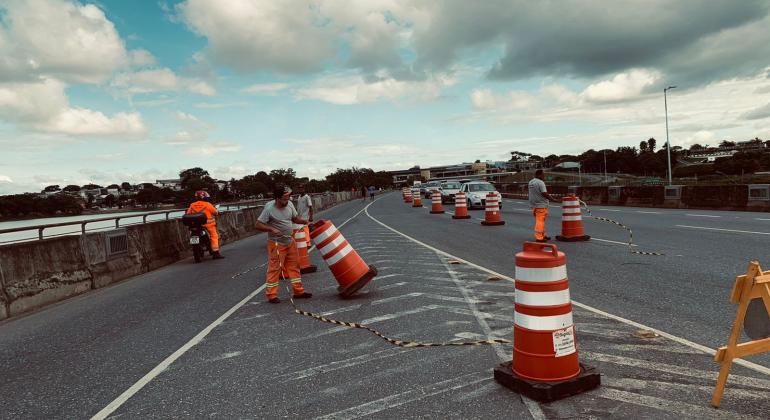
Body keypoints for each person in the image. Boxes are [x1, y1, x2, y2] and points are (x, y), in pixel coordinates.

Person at [255, 184, 312, 304]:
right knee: (275, 269)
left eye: (288, 198)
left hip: (289, 241)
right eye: (284, 199)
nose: (287, 201)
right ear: (277, 198)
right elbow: (258, 224)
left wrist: (305, 222)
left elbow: (294, 219)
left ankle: (299, 292)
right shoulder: (269, 208)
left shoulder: (290, 204)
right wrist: (271, 229)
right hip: (276, 243)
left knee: (295, 266)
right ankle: (271, 295)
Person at [186, 190, 224, 259]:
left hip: (195, 225)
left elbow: (188, 214)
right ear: (204, 197)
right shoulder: (208, 204)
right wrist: (217, 212)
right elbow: (215, 212)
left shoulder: (192, 205)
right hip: (208, 225)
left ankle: (197, 248)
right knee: (214, 236)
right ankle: (216, 253)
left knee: (192, 234)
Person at [528, 169, 560, 243]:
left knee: (541, 221)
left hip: (534, 205)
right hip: (541, 205)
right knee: (540, 221)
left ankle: (543, 235)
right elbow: (544, 193)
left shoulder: (531, 182)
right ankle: (539, 237)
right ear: (539, 175)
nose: (544, 176)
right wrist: (553, 199)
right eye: (543, 174)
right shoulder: (540, 182)